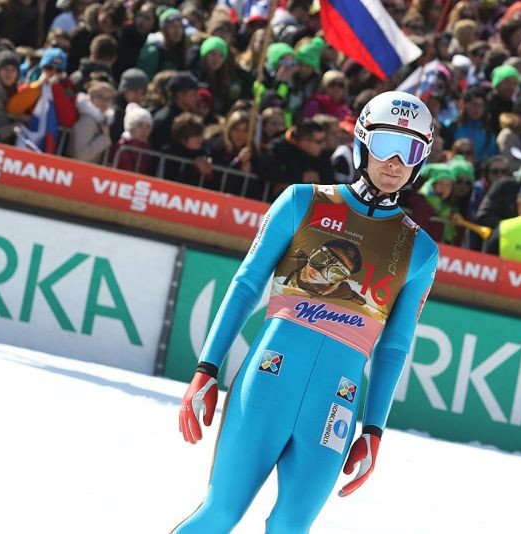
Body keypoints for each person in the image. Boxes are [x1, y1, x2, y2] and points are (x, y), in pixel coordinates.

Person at [173, 91, 438, 533]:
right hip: (267, 382)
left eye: (409, 150)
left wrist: (373, 430)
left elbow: (394, 348)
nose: (395, 162)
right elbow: (246, 286)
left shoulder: (420, 250)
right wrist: (207, 368)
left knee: (290, 529)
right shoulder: (302, 201)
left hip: (335, 406)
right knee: (219, 514)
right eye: (386, 144)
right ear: (362, 143)